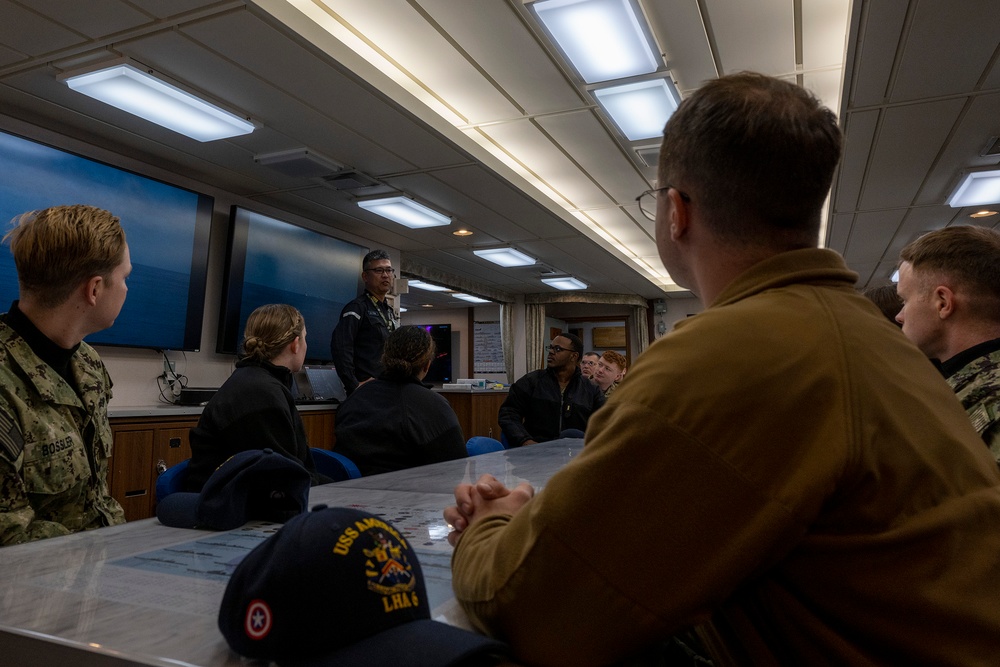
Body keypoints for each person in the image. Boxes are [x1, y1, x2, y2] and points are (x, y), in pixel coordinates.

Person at [444, 73, 1000, 666]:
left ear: (676, 211)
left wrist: (491, 526)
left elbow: (531, 607)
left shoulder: (727, 353)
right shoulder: (877, 344)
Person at [0, 205, 129, 546]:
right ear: (95, 290)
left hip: (98, 569)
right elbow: (8, 533)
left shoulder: (88, 364)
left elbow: (96, 500)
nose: (127, 289)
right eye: (125, 277)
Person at [185, 304, 327, 491]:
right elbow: (282, 481)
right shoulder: (262, 395)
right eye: (306, 338)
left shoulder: (257, 382)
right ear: (295, 344)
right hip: (233, 507)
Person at [896, 225, 1000, 460]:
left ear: (943, 302)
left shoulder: (988, 397)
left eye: (905, 300)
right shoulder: (961, 389)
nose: (899, 316)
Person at [334, 325, 467, 476]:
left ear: (385, 357)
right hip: (409, 496)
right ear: (427, 365)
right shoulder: (435, 407)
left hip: (348, 495)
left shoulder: (355, 398)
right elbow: (456, 470)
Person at [498, 333, 604, 447]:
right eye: (551, 347)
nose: (551, 352)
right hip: (536, 452)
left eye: (558, 349)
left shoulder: (591, 389)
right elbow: (508, 413)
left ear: (574, 356)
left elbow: (604, 423)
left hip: (575, 454)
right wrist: (525, 440)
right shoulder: (532, 381)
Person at [330, 249, 398, 395]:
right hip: (367, 393)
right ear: (365, 276)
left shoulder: (389, 311)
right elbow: (341, 348)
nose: (385, 275)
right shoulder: (356, 308)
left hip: (389, 389)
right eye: (379, 270)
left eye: (388, 270)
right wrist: (353, 385)